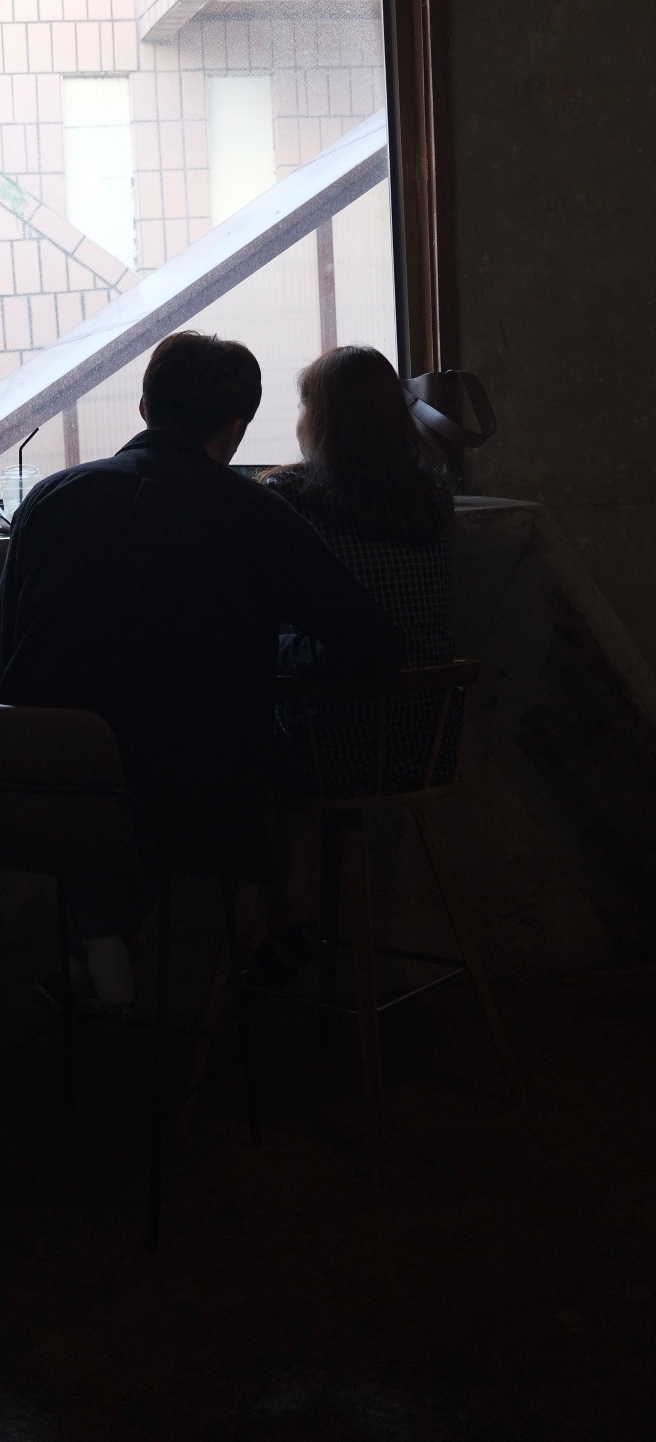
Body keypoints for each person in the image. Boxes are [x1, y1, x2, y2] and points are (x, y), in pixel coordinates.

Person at [0, 331, 404, 1011]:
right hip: (189, 800)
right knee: (182, 748)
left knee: (109, 752)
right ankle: (187, 946)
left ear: (145, 407)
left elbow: (4, 657)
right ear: (236, 428)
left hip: (22, 787)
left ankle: (97, 944)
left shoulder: (52, 497)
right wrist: (272, 653)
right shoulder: (250, 511)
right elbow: (372, 644)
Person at [256, 344, 455, 982]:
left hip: (332, 740)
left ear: (320, 419)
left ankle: (281, 924)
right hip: (423, 735)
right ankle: (297, 924)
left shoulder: (291, 495)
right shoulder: (433, 493)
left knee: (249, 729)